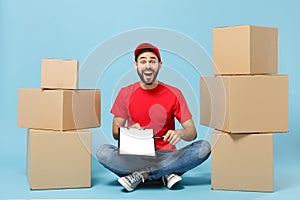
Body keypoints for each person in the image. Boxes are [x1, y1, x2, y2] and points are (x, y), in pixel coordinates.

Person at [96, 42, 211, 192]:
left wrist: (180, 133)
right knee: (102, 152)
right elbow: (115, 132)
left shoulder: (174, 93)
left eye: (152, 61)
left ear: (159, 64)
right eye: (143, 61)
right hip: (135, 157)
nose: (148, 65)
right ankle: (165, 174)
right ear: (136, 65)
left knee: (203, 147)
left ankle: (142, 175)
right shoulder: (125, 93)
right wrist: (128, 130)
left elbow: (192, 132)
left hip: (167, 156)